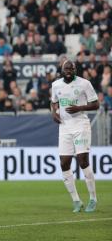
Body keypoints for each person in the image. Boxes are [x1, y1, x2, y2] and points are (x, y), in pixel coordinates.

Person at [51, 60, 99, 213]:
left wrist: (80, 107)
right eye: (66, 68)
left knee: (82, 160)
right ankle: (76, 201)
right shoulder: (56, 85)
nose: (69, 70)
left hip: (80, 125)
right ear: (62, 70)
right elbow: (54, 102)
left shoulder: (84, 84)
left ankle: (93, 198)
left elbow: (96, 104)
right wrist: (54, 113)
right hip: (64, 127)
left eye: (71, 68)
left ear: (75, 69)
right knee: (64, 163)